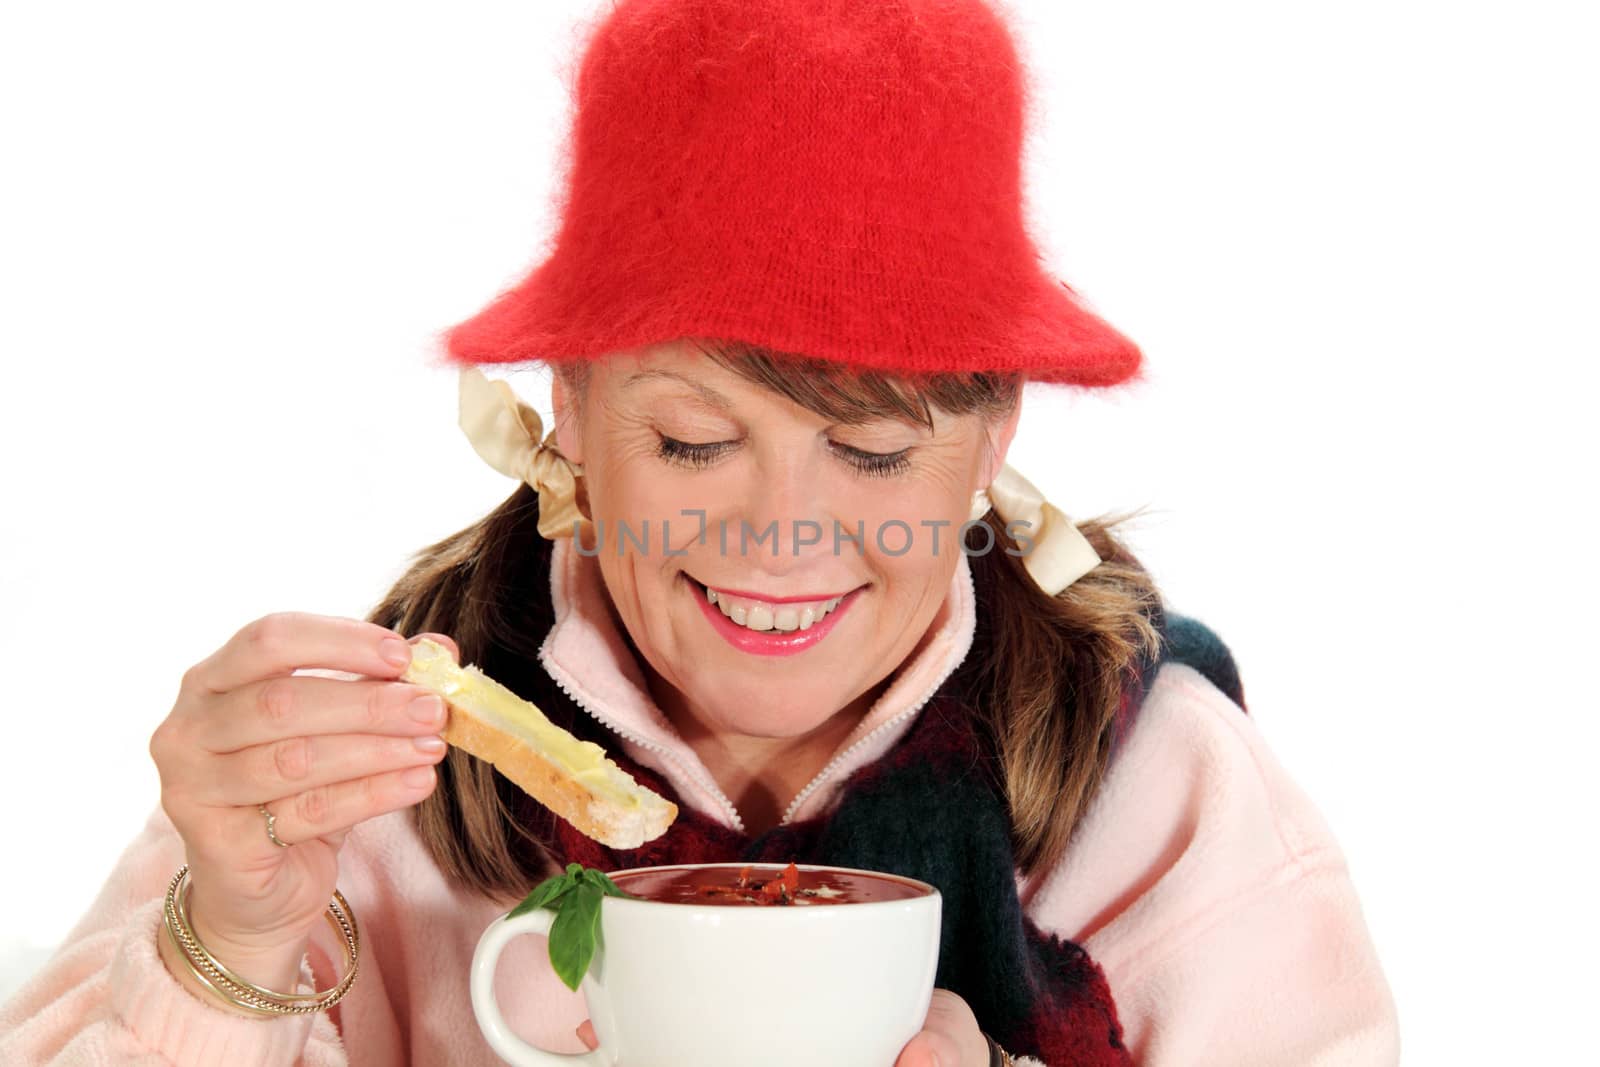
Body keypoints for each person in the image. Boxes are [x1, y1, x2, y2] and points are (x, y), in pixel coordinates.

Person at [0, 0, 1400, 1063]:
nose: (782, 533)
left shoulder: (1154, 780)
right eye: (694, 443)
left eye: (868, 450)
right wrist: (229, 943)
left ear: (993, 438)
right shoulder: (368, 765)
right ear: (572, 409)